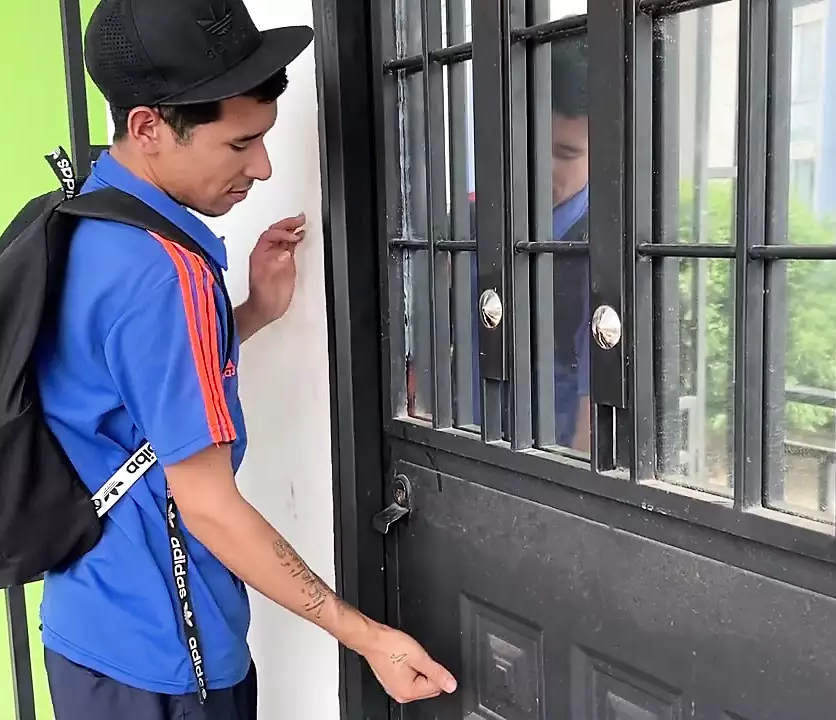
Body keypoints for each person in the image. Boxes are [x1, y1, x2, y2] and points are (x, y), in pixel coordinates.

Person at [34, 1, 455, 718]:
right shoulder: (163, 271)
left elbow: (130, 378)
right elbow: (209, 507)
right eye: (240, 144)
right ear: (149, 127)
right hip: (166, 658)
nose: (261, 167)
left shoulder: (89, 217)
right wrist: (369, 638)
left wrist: (252, 312)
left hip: (88, 626)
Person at [468, 33, 591, 451]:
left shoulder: (603, 253)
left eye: (566, 153)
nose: (541, 164)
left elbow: (593, 429)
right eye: (532, 140)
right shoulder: (468, 224)